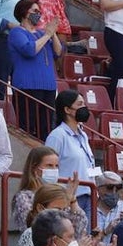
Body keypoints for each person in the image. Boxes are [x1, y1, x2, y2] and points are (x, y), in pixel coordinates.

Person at [8, 0, 60, 139]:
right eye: (35, 11)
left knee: (46, 129)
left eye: (39, 11)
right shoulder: (17, 32)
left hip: (48, 87)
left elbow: (58, 52)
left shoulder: (42, 34)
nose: (39, 14)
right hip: (27, 86)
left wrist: (53, 33)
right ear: (24, 12)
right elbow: (29, 50)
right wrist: (48, 34)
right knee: (27, 128)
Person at [44, 89, 97, 219]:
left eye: (84, 104)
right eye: (79, 104)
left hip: (89, 195)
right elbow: (48, 168)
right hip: (68, 198)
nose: (84, 108)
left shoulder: (83, 135)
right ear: (67, 110)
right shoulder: (57, 136)